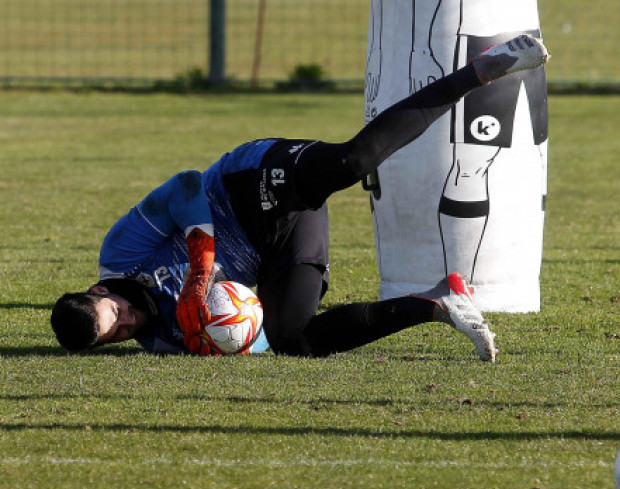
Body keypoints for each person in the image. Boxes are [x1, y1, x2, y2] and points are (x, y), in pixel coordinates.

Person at [50, 34, 550, 362]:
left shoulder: (120, 253)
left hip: (242, 190)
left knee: (350, 164)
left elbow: (184, 184)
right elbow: (254, 336)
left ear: (99, 293)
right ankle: (439, 302)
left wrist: (203, 267)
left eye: (115, 316)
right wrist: (231, 336)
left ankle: (486, 67)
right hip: (280, 249)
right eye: (116, 336)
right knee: (296, 341)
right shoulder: (163, 337)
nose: (129, 324)